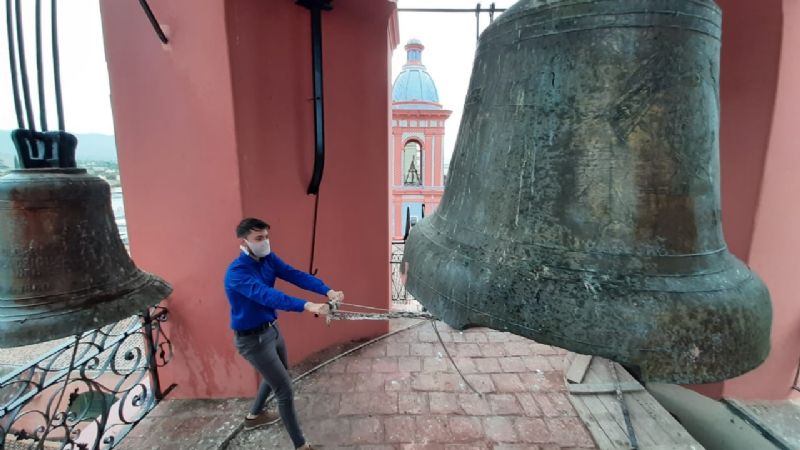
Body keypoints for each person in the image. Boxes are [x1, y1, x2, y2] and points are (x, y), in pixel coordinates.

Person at [224, 217, 344, 450]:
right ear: (244, 241)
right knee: (284, 388)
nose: (265, 242)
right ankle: (300, 445)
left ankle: (254, 417)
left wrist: (327, 290)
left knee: (278, 375)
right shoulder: (236, 273)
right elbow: (266, 295)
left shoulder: (268, 259)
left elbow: (295, 274)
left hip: (272, 330)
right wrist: (308, 306)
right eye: (259, 238)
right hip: (252, 340)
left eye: (266, 237)